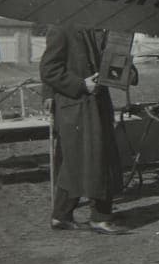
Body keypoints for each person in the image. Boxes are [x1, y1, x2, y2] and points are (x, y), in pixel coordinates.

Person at [40, 24, 127, 234]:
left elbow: (113, 63)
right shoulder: (61, 28)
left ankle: (61, 216)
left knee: (75, 162)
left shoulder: (103, 29)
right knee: (96, 159)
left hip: (96, 104)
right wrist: (80, 84)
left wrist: (125, 72)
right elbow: (49, 70)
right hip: (76, 106)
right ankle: (100, 218)